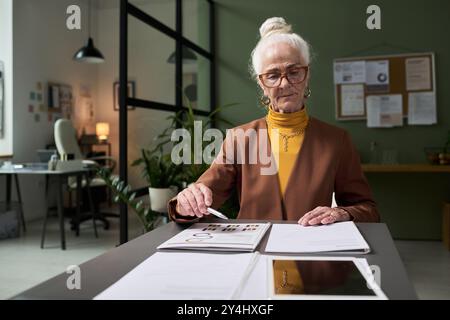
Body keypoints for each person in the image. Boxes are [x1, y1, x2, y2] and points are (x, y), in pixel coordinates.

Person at [168, 17, 379, 225]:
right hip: (253, 255)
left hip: (311, 255)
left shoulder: (337, 140)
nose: (284, 84)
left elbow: (367, 209)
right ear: (261, 83)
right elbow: (201, 199)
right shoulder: (239, 139)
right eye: (272, 75)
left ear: (307, 75)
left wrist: (342, 213)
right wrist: (186, 203)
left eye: (294, 72)